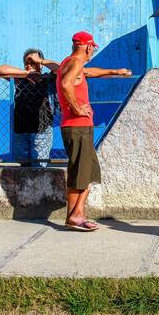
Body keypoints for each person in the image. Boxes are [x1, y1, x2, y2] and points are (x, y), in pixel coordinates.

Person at [56, 31, 132, 231]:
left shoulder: (69, 63)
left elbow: (89, 73)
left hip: (73, 126)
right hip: (79, 126)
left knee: (79, 173)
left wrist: (115, 71)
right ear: (88, 47)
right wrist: (77, 108)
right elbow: (66, 84)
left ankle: (73, 216)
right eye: (93, 48)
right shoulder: (75, 63)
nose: (92, 51)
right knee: (86, 172)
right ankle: (77, 214)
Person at [0, 48, 59, 165]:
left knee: (39, 166)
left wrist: (41, 61)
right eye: (27, 63)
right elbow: (1, 69)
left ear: (40, 64)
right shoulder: (19, 79)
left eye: (33, 62)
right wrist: (26, 73)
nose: (29, 65)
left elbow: (60, 68)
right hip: (20, 129)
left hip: (42, 129)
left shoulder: (48, 79)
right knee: (22, 167)